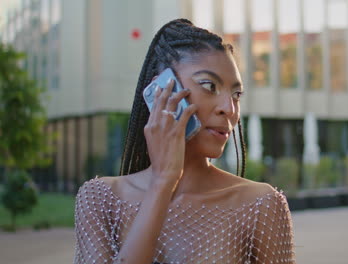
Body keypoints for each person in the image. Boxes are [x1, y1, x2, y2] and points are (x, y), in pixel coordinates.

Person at [73, 18, 295, 264]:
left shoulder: (259, 205)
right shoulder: (100, 199)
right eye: (209, 86)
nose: (229, 109)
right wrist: (163, 181)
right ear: (162, 89)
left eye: (236, 94)